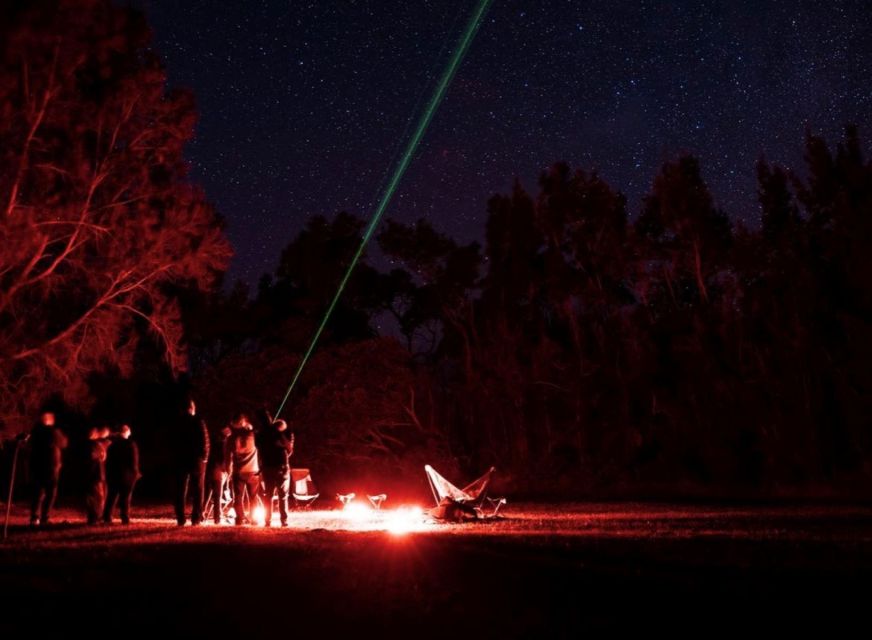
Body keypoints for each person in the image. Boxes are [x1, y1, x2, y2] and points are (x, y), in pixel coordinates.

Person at [28, 411, 68, 527]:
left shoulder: (35, 432)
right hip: (51, 467)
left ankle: (35, 517)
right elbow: (64, 443)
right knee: (50, 493)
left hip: (37, 467)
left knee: (38, 493)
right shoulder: (53, 432)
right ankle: (45, 516)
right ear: (50, 421)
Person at [173, 398, 210, 526]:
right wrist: (205, 456)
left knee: (180, 489)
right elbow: (205, 440)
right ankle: (196, 518)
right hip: (196, 459)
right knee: (198, 489)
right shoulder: (198, 421)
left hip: (180, 459)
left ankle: (180, 517)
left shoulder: (176, 422)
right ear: (192, 408)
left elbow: (172, 442)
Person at [256, 419, 294, 527]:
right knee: (282, 496)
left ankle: (268, 521)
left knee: (268, 495)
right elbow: (290, 450)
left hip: (269, 468)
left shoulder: (264, 437)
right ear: (282, 428)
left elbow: (260, 449)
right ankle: (284, 520)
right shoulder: (283, 437)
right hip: (280, 468)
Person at [226, 413, 262, 526]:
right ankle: (254, 520)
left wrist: (228, 469)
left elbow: (228, 455)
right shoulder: (254, 436)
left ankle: (239, 519)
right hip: (253, 471)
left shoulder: (232, 438)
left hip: (239, 471)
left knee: (238, 497)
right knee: (253, 498)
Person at [103, 424, 140, 525]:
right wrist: (135, 472)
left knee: (111, 496)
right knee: (125, 497)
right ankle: (125, 517)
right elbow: (133, 460)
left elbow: (108, 461)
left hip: (113, 473)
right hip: (127, 474)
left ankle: (107, 516)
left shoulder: (112, 445)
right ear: (126, 432)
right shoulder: (130, 444)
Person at [206, 423, 231, 524]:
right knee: (217, 496)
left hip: (211, 470)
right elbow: (224, 459)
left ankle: (202, 513)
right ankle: (217, 518)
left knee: (209, 494)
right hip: (218, 471)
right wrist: (227, 469)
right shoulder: (223, 444)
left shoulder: (214, 442)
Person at [85, 427, 110, 524]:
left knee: (99, 496)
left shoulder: (96, 444)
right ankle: (94, 517)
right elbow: (94, 458)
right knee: (96, 496)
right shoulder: (91, 445)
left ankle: (96, 516)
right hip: (94, 475)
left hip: (98, 475)